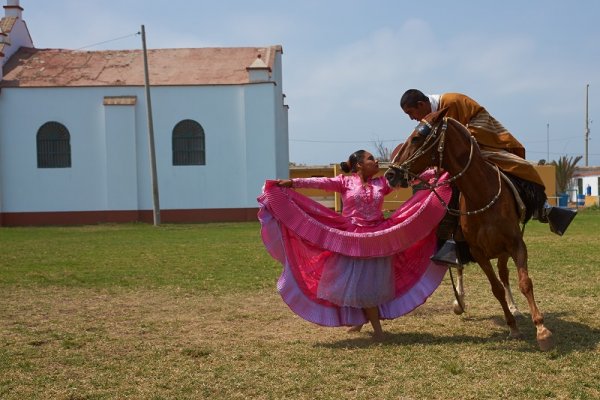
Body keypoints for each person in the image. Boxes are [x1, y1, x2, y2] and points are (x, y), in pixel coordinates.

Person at [257, 150, 453, 340]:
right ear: (359, 164)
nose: (376, 162)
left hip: (377, 239)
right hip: (352, 240)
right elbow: (319, 183)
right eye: (370, 159)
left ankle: (367, 325)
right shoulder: (344, 182)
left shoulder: (383, 183)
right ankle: (376, 330)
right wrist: (292, 182)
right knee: (362, 286)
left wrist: (433, 173)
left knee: (369, 285)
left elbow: (410, 179)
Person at [399, 89, 575, 234]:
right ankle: (454, 239)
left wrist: (466, 141)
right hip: (458, 158)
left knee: (518, 165)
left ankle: (542, 207)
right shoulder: (431, 120)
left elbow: (481, 118)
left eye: (411, 113)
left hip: (481, 145)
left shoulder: (452, 101)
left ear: (421, 105)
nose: (412, 118)